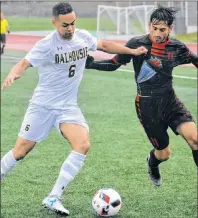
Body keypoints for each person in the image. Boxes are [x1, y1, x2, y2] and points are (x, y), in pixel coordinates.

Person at [1, 2, 147, 216]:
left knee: (83, 144)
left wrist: (132, 51)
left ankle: (53, 197)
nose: (70, 28)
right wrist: (14, 73)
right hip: (42, 105)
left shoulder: (83, 37)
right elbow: (24, 62)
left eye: (73, 23)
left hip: (67, 107)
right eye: (65, 25)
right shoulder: (46, 44)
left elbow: (105, 44)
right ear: (54, 23)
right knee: (21, 151)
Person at [85, 5, 198, 186]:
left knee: (195, 140)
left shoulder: (177, 47)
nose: (157, 33)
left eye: (162, 29)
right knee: (164, 153)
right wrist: (91, 64)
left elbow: (195, 60)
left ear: (170, 28)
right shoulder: (137, 44)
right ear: (149, 26)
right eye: (154, 28)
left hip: (170, 102)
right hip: (147, 107)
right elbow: (114, 63)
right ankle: (152, 163)